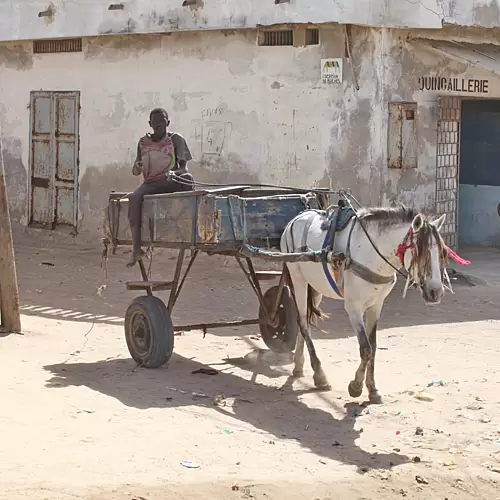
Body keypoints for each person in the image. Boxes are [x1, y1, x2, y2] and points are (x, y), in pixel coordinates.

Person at [127, 108, 194, 267]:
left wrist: (174, 173)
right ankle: (136, 248)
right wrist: (137, 166)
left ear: (167, 123)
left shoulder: (176, 139)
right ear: (150, 124)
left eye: (161, 123)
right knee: (134, 197)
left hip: (170, 181)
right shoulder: (143, 143)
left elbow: (183, 168)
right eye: (155, 123)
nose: (158, 126)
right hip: (151, 183)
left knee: (188, 179)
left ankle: (190, 232)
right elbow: (136, 171)